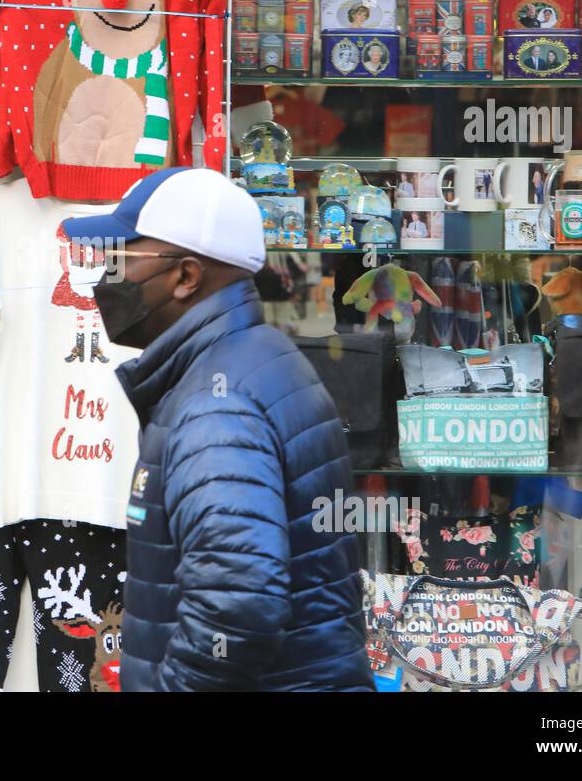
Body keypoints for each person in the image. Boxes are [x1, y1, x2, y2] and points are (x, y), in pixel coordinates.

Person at [62, 168, 372, 691]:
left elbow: (239, 605)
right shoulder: (254, 358)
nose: (106, 274)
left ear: (186, 276)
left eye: (121, 257)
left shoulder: (215, 403)